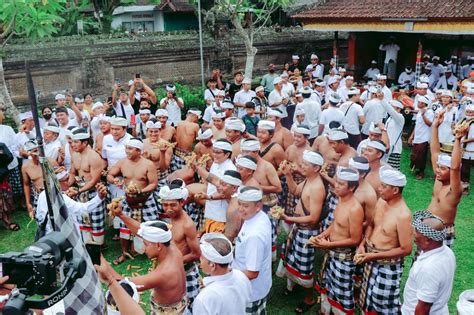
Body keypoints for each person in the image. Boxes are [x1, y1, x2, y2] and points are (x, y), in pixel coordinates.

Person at [99, 218, 188, 314]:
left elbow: (121, 285)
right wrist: (121, 214)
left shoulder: (163, 274)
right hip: (180, 304)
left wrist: (99, 258)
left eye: (146, 244)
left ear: (158, 245)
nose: (143, 248)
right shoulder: (171, 245)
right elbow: (141, 230)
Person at [357, 166, 412, 314]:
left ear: (395, 190)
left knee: (384, 304)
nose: (379, 189)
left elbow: (406, 249)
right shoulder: (381, 202)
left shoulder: (403, 215)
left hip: (388, 266)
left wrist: (373, 256)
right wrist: (363, 244)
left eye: (384, 186)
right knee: (368, 297)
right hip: (370, 257)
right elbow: (371, 225)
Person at [277, 150, 326, 313]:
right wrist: (288, 175)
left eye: (306, 164)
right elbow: (295, 192)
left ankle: (309, 297)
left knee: (305, 265)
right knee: (292, 256)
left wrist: (290, 219)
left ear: (316, 168)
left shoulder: (317, 187)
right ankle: (295, 286)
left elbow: (313, 218)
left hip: (307, 232)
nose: (301, 166)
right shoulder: (308, 180)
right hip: (299, 228)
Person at [312, 167, 364, 315]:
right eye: (337, 182)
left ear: (352, 187)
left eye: (341, 184)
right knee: (328, 284)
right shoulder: (342, 199)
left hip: (343, 258)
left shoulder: (355, 209)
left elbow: (355, 239)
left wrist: (329, 244)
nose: (336, 186)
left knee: (342, 292)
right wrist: (324, 234)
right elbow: (336, 223)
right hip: (333, 253)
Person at [107, 138, 159, 265]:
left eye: (130, 149)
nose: (127, 151)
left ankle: (154, 252)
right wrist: (114, 180)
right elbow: (109, 175)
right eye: (126, 148)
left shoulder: (148, 164)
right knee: (124, 226)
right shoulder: (122, 162)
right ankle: (124, 252)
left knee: (150, 227)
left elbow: (153, 184)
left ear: (138, 150)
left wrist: (140, 192)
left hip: (145, 199)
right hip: (128, 198)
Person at [156, 181, 201, 309]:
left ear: (182, 202)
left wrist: (173, 261)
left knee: (190, 307)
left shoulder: (187, 225)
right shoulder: (172, 218)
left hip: (187, 272)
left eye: (173, 205)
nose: (168, 209)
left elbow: (197, 254)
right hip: (173, 271)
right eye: (165, 205)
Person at [401, 211, 456, 315]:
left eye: (417, 231)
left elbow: (423, 309)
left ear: (427, 240)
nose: (414, 234)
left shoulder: (428, 268)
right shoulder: (447, 252)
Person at [233, 186, 272, 315]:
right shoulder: (260, 216)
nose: (240, 208)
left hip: (251, 290)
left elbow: (252, 273)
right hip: (256, 285)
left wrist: (226, 277)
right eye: (239, 204)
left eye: (245, 206)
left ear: (258, 206)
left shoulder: (254, 236)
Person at [427, 111, 463, 247]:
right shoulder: (439, 178)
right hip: (427, 226)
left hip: (443, 231)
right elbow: (435, 151)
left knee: (436, 265)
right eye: (438, 167)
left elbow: (455, 168)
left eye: (443, 168)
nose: (437, 170)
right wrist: (435, 126)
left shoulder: (455, 190)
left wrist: (458, 140)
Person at [193, 233, 252, 315]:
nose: (200, 262)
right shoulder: (241, 276)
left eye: (202, 258)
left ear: (212, 265)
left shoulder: (204, 298)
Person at [67, 128, 107, 245]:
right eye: (72, 142)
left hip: (94, 192)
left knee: (96, 221)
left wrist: (78, 191)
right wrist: (68, 185)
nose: (72, 145)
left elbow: (94, 181)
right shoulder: (75, 155)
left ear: (85, 143)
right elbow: (73, 172)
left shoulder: (94, 157)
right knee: (82, 219)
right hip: (80, 190)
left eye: (76, 142)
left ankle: (99, 246)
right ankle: (87, 245)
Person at [408, 96, 434, 179]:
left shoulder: (429, 112)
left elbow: (430, 124)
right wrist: (412, 136)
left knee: (421, 157)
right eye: (418, 102)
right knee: (414, 155)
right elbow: (417, 125)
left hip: (424, 138)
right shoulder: (419, 111)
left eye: (420, 102)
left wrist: (423, 115)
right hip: (417, 137)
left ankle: (421, 172)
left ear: (424, 104)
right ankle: (416, 169)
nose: (418, 104)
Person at [381, 99, 405, 170]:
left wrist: (382, 100)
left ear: (398, 108)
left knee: (393, 170)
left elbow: (391, 111)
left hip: (395, 149)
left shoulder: (400, 118)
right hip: (387, 146)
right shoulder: (389, 118)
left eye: (392, 107)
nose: (390, 109)